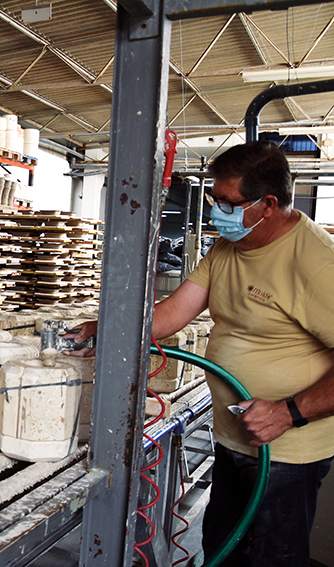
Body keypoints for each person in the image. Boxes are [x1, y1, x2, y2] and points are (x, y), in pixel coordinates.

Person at [71, 141, 334, 566]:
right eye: (215, 200)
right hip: (234, 437)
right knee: (222, 547)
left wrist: (289, 412)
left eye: (228, 203)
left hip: (287, 451)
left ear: (268, 204)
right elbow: (173, 314)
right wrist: (106, 331)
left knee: (274, 557)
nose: (217, 213)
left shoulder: (317, 263)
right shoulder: (226, 249)